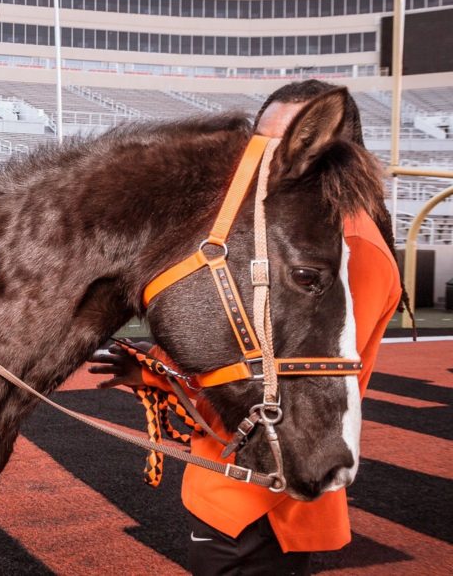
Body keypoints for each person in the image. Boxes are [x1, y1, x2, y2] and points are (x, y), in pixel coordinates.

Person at [89, 80, 405, 575]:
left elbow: (294, 378)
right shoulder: (309, 232)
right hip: (242, 481)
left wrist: (155, 376)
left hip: (265, 495)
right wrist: (160, 367)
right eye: (259, 143)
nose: (265, 160)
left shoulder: (350, 246)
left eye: (290, 144)